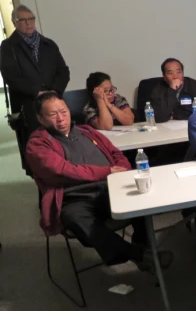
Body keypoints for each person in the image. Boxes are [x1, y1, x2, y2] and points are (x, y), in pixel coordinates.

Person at [25, 91, 172, 271]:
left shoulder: (87, 131)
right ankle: (141, 255)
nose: (61, 118)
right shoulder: (37, 144)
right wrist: (107, 171)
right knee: (75, 218)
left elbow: (116, 153)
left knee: (139, 196)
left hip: (108, 189)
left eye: (63, 111)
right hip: (75, 198)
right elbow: (64, 171)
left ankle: (143, 249)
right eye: (53, 114)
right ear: (40, 119)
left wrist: (123, 170)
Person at [0, 5, 70, 131]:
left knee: (60, 137)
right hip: (29, 104)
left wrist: (55, 91)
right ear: (15, 23)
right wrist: (36, 92)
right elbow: (10, 76)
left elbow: (63, 71)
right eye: (23, 20)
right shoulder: (9, 47)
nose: (28, 23)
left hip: (54, 101)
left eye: (31, 19)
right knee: (36, 140)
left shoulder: (48, 44)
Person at [149, 58, 196, 123]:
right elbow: (158, 117)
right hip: (166, 128)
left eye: (178, 72)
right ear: (164, 76)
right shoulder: (158, 90)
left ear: (183, 73)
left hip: (192, 125)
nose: (175, 76)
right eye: (170, 73)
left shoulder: (194, 86)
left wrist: (174, 116)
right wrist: (172, 90)